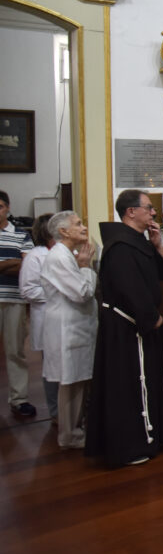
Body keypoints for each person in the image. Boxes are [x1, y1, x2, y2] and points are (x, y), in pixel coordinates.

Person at [86, 189, 163, 467]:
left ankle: (152, 435)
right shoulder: (120, 247)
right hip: (126, 328)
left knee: (146, 379)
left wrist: (158, 245)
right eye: (148, 208)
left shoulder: (139, 241)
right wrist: (151, 317)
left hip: (139, 324)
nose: (153, 213)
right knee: (129, 384)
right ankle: (132, 443)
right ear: (130, 212)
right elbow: (130, 289)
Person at [40, 211, 97, 449]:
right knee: (71, 381)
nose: (84, 227)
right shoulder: (58, 257)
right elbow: (82, 292)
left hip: (77, 327)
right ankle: (69, 435)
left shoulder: (67, 254)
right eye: (78, 224)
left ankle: (76, 429)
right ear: (63, 231)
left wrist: (84, 265)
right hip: (67, 329)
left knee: (78, 381)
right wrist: (85, 266)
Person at [0, 190, 35, 418]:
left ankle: (19, 398)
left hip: (14, 299)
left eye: (0, 206)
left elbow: (27, 266)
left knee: (15, 351)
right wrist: (10, 264)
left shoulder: (21, 235)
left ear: (8, 208)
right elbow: (17, 264)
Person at [19, 213, 56, 419]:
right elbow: (28, 290)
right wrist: (56, 293)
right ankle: (55, 412)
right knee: (51, 369)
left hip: (66, 319)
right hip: (46, 317)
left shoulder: (66, 252)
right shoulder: (35, 256)